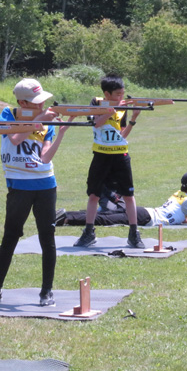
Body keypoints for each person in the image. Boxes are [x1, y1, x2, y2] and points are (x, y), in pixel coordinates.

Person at [0, 78, 74, 307]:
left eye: (42, 103)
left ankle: (46, 291)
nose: (41, 106)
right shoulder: (9, 113)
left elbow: (45, 158)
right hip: (18, 185)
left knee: (47, 238)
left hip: (45, 184)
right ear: (21, 102)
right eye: (35, 103)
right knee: (10, 237)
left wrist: (60, 132)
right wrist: (39, 120)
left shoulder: (46, 122)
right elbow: (15, 137)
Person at [74, 74, 145, 248]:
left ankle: (133, 233)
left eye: (122, 94)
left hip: (120, 155)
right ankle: (88, 232)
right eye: (117, 94)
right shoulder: (97, 103)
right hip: (101, 155)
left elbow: (122, 135)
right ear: (107, 94)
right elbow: (95, 123)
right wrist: (110, 111)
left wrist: (133, 119)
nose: (121, 97)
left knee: (128, 195)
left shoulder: (122, 107)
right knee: (93, 195)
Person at [58, 173, 187, 227]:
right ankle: (66, 218)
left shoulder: (179, 194)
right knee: (105, 219)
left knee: (108, 214)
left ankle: (67, 215)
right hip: (145, 217)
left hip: (144, 212)